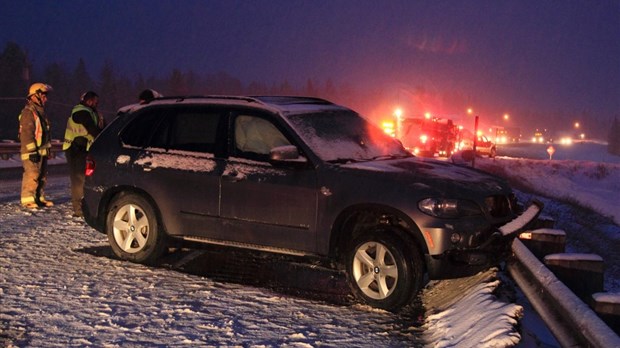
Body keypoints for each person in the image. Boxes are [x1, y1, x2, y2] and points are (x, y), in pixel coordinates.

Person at [62, 91, 105, 217]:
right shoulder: (81, 111)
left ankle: (85, 205)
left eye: (97, 101)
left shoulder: (94, 113)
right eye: (93, 100)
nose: (96, 103)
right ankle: (78, 208)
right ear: (87, 100)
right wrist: (103, 138)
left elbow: (101, 128)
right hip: (75, 149)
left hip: (85, 149)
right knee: (78, 178)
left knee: (86, 179)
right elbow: (92, 129)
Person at [19, 83, 54, 209]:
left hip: (41, 151)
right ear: (35, 96)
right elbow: (27, 133)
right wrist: (32, 150)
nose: (46, 98)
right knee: (32, 174)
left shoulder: (41, 113)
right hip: (31, 151)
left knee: (42, 175)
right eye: (43, 95)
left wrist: (48, 150)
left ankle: (39, 198)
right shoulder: (29, 112)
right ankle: (28, 199)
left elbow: (45, 134)